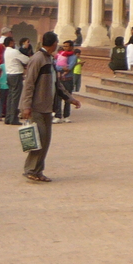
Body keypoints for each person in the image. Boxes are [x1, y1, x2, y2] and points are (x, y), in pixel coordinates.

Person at [19, 31, 82, 182]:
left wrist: (69, 98)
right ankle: (31, 169)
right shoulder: (38, 59)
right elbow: (29, 84)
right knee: (39, 139)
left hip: (47, 106)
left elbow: (56, 84)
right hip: (37, 106)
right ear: (54, 43)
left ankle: (38, 170)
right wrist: (26, 106)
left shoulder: (48, 59)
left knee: (45, 141)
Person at [4, 40, 32, 125]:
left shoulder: (6, 51)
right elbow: (26, 60)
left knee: (10, 96)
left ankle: (8, 117)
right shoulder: (14, 51)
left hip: (9, 74)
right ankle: (13, 118)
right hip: (16, 74)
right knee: (16, 97)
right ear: (10, 43)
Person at [53, 40, 79, 122]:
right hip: (60, 79)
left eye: (67, 46)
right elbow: (55, 65)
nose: (65, 48)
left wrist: (61, 68)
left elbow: (69, 67)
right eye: (64, 46)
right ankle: (58, 115)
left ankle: (66, 116)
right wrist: (61, 68)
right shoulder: (60, 55)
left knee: (68, 97)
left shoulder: (73, 57)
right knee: (58, 98)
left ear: (71, 47)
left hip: (68, 79)